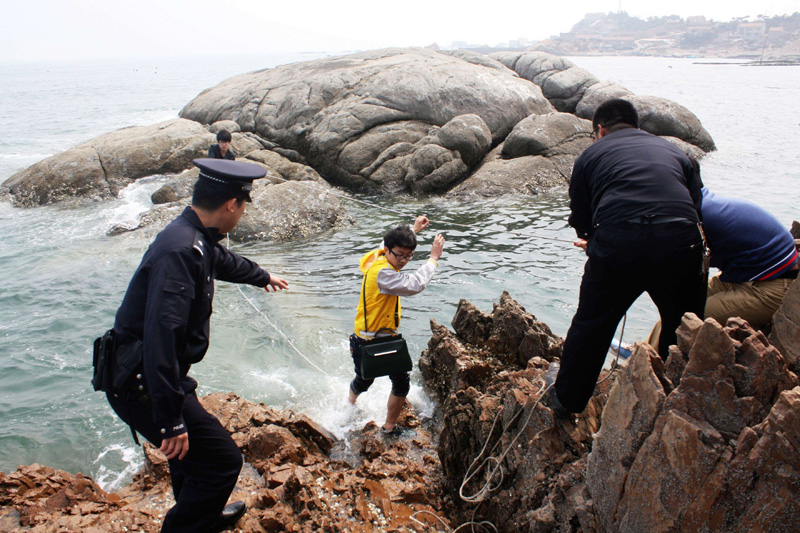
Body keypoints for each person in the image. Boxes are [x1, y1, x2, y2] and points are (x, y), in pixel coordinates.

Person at [106, 158, 288, 532]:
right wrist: (170, 419)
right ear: (231, 205)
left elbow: (221, 260)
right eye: (243, 206)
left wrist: (262, 276)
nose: (241, 214)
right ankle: (184, 526)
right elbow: (161, 339)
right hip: (139, 381)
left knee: (189, 456)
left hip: (146, 373)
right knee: (222, 460)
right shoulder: (180, 252)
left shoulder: (193, 237)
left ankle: (200, 511)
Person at [546, 98, 707, 417]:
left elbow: (581, 214)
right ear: (635, 125)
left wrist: (594, 242)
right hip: (681, 242)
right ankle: (681, 399)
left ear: (600, 130)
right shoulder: (675, 152)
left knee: (591, 325)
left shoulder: (591, 155)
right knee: (683, 325)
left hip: (619, 243)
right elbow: (696, 206)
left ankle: (567, 400)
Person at [642, 186, 798, 348]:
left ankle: (654, 361)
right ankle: (646, 349)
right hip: (744, 274)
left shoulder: (696, 218)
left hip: (770, 287)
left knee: (682, 317)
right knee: (676, 307)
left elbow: (677, 265)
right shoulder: (701, 202)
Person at [349, 216, 445, 435]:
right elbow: (415, 284)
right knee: (364, 382)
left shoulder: (377, 257)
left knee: (400, 382)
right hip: (370, 341)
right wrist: (432, 259)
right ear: (388, 250)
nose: (403, 261)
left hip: (372, 338)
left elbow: (388, 244)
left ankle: (389, 426)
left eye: (409, 256)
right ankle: (350, 403)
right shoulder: (383, 273)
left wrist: (413, 230)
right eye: (400, 255)